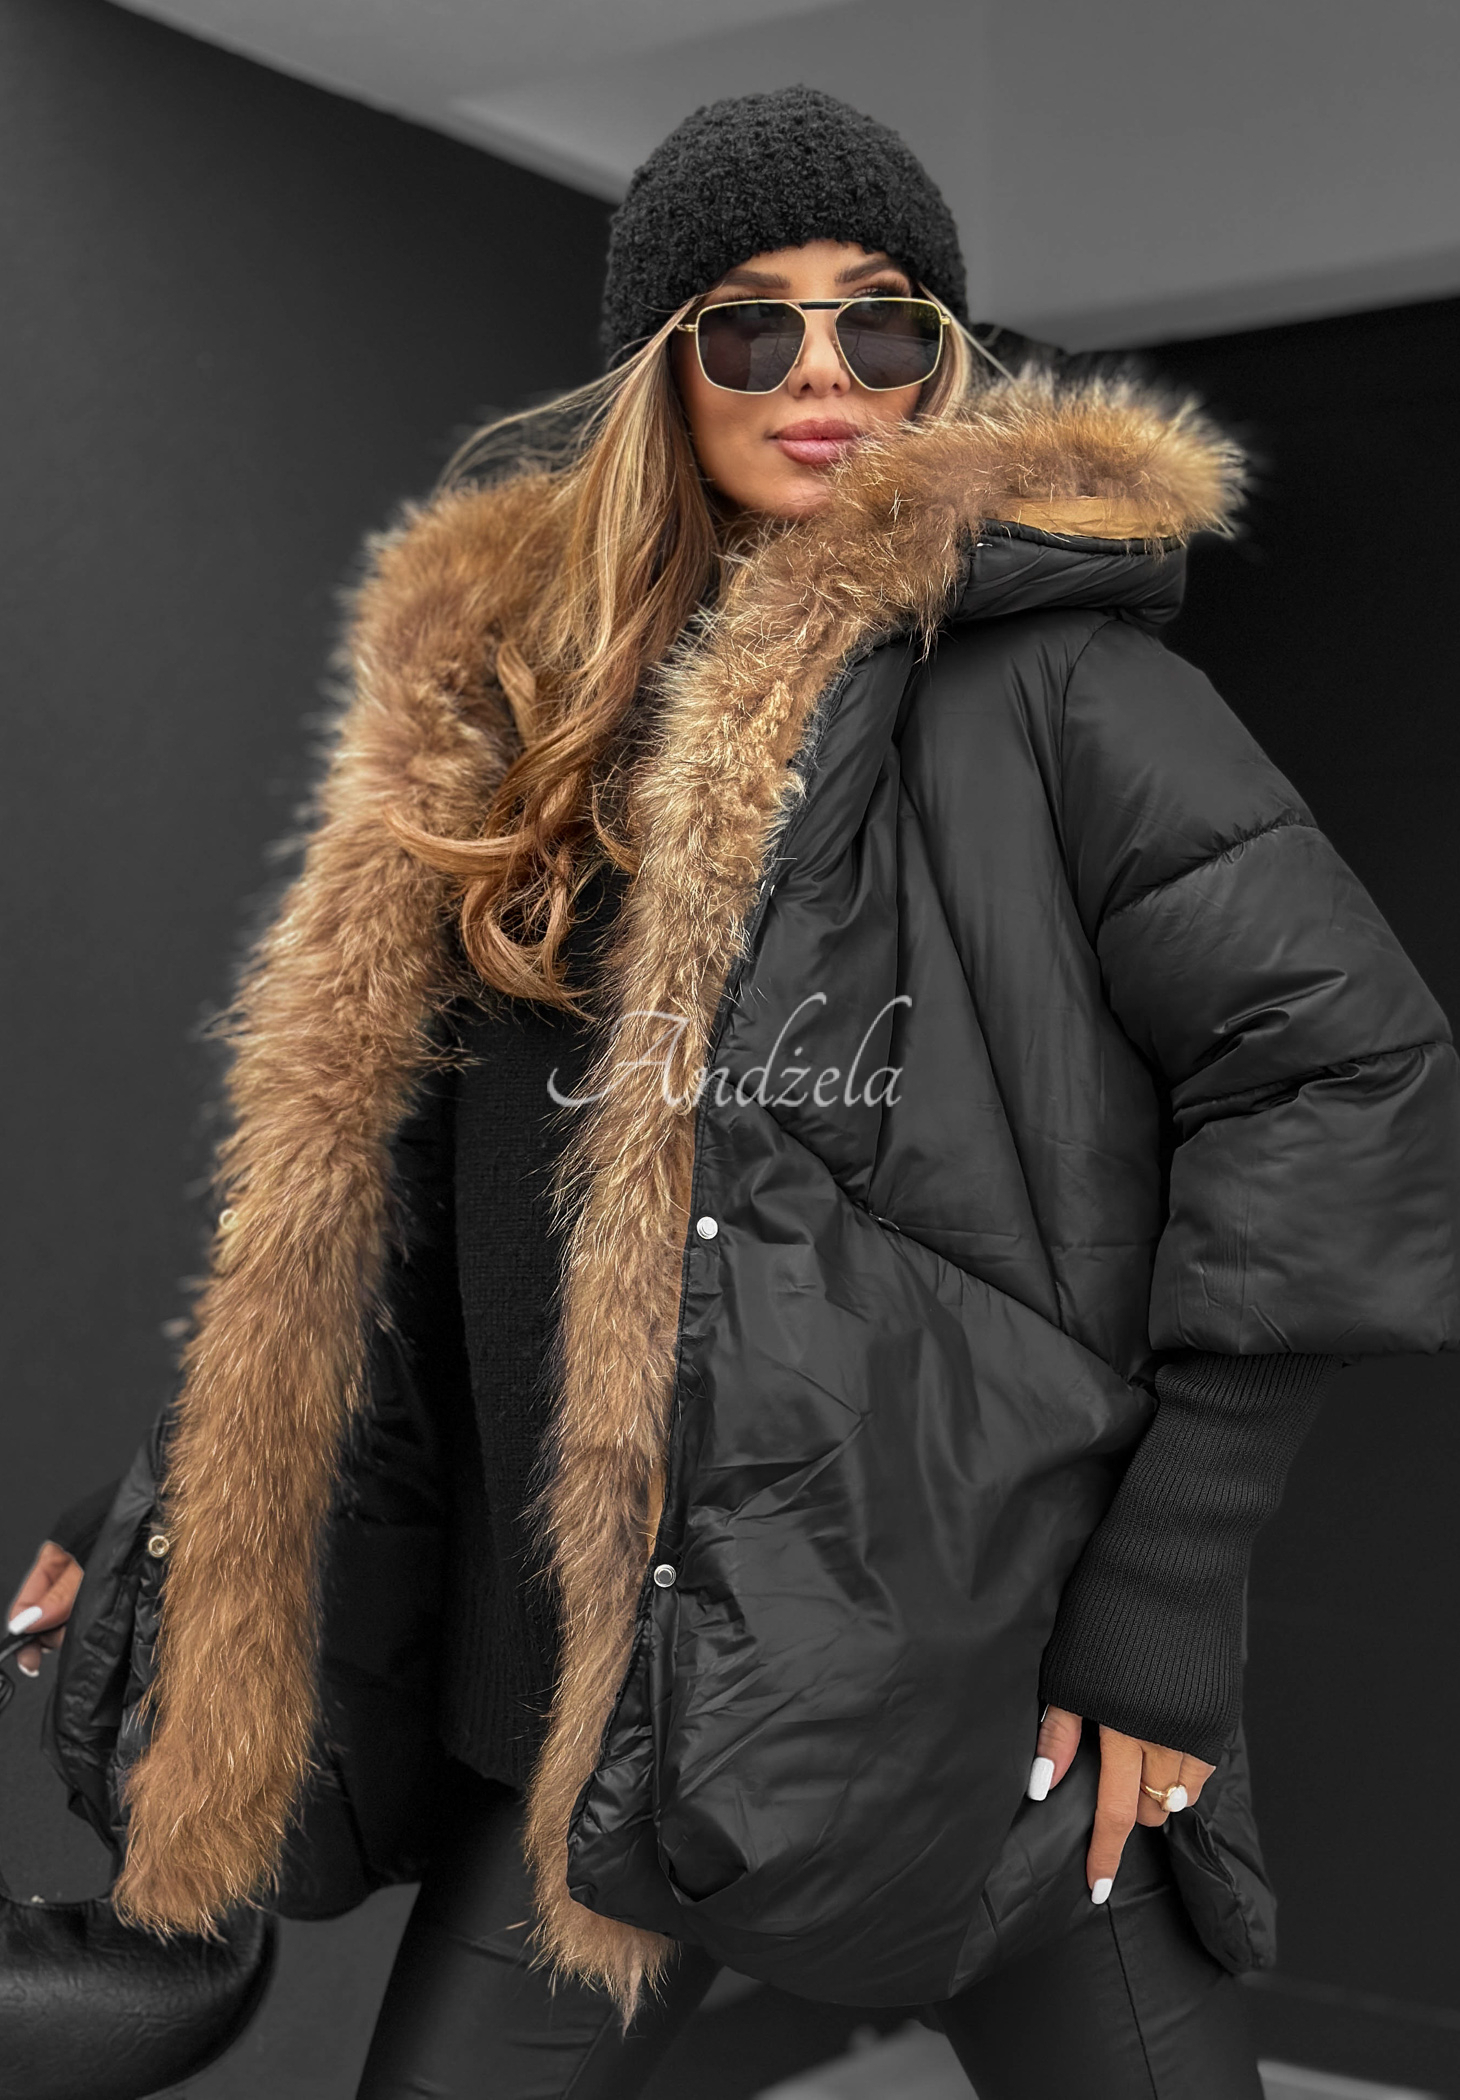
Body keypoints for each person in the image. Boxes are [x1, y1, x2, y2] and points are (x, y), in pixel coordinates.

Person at [9, 87, 1458, 2100]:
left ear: (943, 358)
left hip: (965, 1703)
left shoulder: (1058, 685)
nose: (822, 373)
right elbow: (403, 1222)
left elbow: (1350, 1069)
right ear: (660, 371)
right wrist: (193, 1499)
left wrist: (1168, 1581)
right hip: (593, 1738)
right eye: (750, 323)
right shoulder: (518, 719)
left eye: (882, 319)